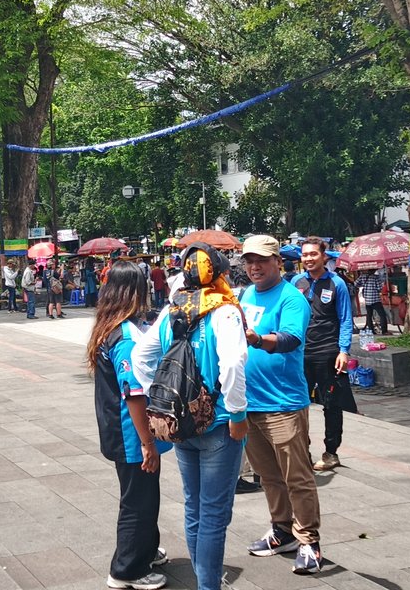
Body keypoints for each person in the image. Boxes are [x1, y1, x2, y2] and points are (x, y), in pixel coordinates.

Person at [131, 243, 248, 590]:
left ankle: (204, 578)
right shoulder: (224, 311)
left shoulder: (171, 312)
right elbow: (232, 364)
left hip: (180, 424)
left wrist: (162, 393)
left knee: (194, 508)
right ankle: (208, 585)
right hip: (218, 425)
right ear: (220, 275)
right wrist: (238, 412)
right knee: (213, 514)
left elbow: (141, 356)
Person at [238, 235, 324, 575]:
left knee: (297, 476)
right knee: (268, 475)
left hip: (283, 403)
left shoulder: (292, 299)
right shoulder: (245, 294)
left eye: (261, 260)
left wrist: (258, 339)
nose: (254, 267)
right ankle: (282, 530)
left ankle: (309, 541)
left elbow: (290, 340)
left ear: (278, 262)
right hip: (251, 401)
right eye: (249, 261)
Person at [89, 262, 171, 590]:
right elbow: (133, 392)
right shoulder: (123, 335)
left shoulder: (113, 326)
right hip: (130, 433)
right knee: (138, 500)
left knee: (144, 495)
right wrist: (147, 443)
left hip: (123, 430)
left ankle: (144, 550)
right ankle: (127, 570)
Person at [294, 236, 356, 471]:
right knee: (298, 404)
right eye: (305, 254)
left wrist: (344, 350)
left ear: (324, 256)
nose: (308, 258)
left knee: (332, 404)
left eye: (313, 254)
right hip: (301, 353)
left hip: (329, 353)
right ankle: (302, 450)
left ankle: (331, 452)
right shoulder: (297, 283)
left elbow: (345, 319)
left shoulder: (337, 284)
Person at [355, 269, 388, 335]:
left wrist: (363, 285)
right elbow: (379, 288)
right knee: (382, 315)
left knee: (369, 316)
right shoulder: (375, 277)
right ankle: (384, 331)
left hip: (367, 300)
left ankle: (371, 331)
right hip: (375, 299)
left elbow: (356, 284)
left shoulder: (362, 276)